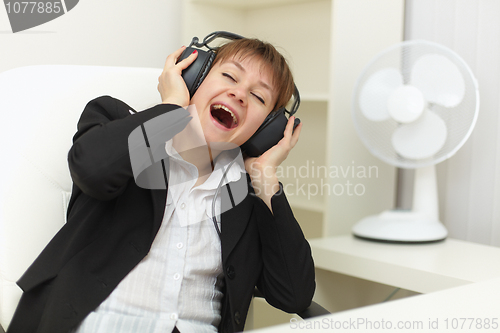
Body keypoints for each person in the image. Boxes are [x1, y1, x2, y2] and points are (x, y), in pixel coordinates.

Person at [7, 37, 315, 333]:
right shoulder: (115, 121)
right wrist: (171, 109)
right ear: (194, 77)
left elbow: (293, 294)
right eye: (229, 76)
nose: (239, 94)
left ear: (266, 128)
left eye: (259, 97)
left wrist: (264, 177)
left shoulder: (248, 193)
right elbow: (93, 170)